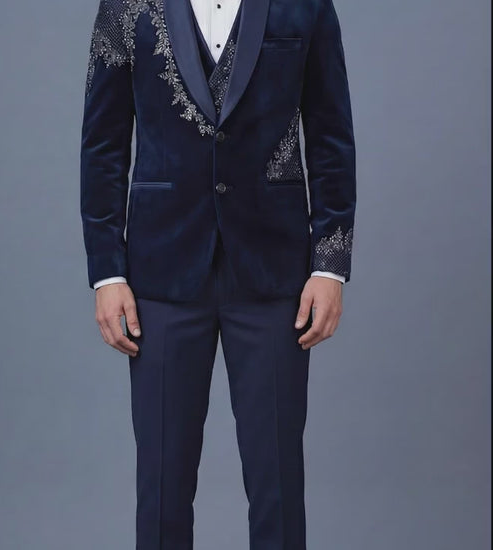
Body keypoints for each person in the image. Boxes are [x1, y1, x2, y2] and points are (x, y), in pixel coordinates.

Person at [80, 0, 356, 547]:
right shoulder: (125, 7)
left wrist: (330, 265)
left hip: (275, 273)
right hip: (160, 274)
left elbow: (331, 137)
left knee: (278, 481)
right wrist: (107, 273)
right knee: (161, 484)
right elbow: (102, 146)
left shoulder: (306, 5)